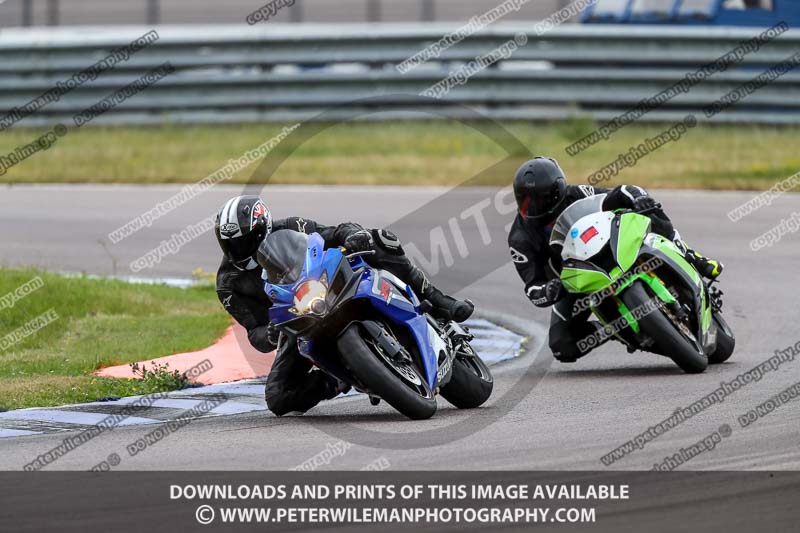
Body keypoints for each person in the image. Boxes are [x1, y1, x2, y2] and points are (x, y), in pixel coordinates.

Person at [214, 195, 474, 415]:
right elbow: (254, 331)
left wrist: (354, 235)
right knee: (278, 397)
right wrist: (269, 334)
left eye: (243, 241)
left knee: (381, 240)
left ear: (263, 228)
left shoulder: (292, 226)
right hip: (297, 320)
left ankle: (440, 302)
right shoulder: (228, 284)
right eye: (229, 244)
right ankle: (335, 379)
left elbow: (334, 232)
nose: (237, 249)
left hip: (331, 282)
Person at [507, 157, 723, 363]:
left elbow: (619, 193)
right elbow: (532, 286)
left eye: (538, 200)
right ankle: (616, 328)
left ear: (557, 192)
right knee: (562, 345)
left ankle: (692, 257)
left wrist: (638, 199)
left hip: (611, 247)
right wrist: (548, 290)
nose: (531, 208)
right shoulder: (520, 238)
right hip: (576, 284)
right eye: (524, 201)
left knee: (651, 212)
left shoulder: (577, 193)